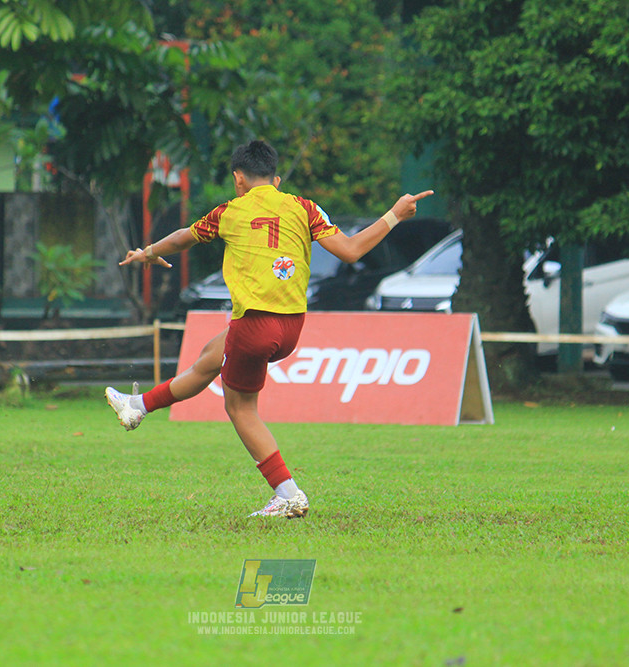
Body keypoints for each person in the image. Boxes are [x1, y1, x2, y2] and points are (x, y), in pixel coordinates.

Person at [106, 140, 432, 518]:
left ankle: (287, 492)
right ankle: (137, 407)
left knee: (239, 407)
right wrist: (394, 214)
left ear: (238, 179)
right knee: (210, 357)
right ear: (276, 180)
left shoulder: (229, 211)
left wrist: (148, 252)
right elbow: (351, 250)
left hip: (253, 324)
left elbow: (183, 237)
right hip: (291, 326)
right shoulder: (304, 207)